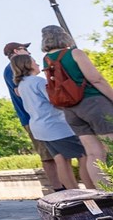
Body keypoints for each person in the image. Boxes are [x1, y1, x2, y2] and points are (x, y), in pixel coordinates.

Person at [41, 25, 113, 187]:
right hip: (93, 103)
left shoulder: (47, 60)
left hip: (71, 110)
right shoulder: (74, 53)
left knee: (94, 154)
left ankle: (106, 193)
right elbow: (96, 79)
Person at [10, 54, 94, 191]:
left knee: (60, 159)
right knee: (84, 155)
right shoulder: (38, 82)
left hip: (40, 127)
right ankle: (92, 192)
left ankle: (74, 194)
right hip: (56, 126)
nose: (37, 64)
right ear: (27, 65)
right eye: (34, 62)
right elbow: (55, 100)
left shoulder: (22, 85)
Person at [2, 41, 60, 190]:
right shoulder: (12, 69)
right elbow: (20, 92)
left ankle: (63, 186)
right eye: (25, 49)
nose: (29, 52)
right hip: (33, 118)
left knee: (57, 155)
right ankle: (58, 188)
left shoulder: (15, 70)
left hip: (39, 118)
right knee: (47, 156)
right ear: (16, 51)